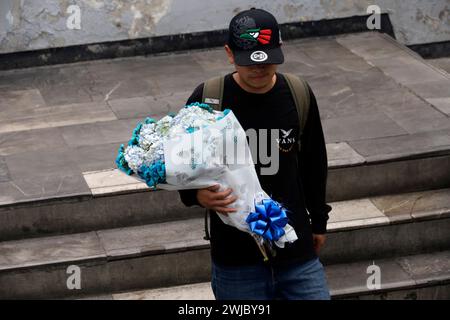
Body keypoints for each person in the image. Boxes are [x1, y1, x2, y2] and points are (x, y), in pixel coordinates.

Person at [178, 8, 332, 300]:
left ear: (279, 49)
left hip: (296, 252)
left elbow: (315, 163)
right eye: (250, 62)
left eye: (268, 60)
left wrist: (319, 222)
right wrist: (195, 196)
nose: (259, 69)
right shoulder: (208, 99)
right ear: (229, 53)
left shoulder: (297, 93)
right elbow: (183, 164)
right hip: (236, 261)